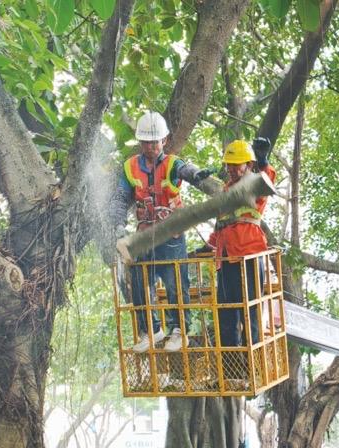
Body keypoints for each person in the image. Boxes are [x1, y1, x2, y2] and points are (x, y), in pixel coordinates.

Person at [110, 111, 213, 353]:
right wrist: (116, 223)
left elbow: (185, 169)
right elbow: (120, 198)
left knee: (175, 283)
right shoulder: (130, 167)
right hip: (145, 236)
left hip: (171, 236)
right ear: (140, 142)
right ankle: (151, 330)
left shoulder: (171, 163)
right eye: (146, 142)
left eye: (155, 142)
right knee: (139, 283)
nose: (150, 147)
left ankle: (179, 331)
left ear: (164, 141)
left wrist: (197, 174)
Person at [207, 137, 276, 348]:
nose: (231, 169)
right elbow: (221, 225)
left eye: (237, 165)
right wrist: (208, 246)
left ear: (248, 165)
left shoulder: (254, 184)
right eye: (229, 165)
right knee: (226, 313)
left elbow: (267, 178)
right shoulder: (227, 190)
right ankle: (231, 369)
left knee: (250, 311)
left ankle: (250, 368)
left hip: (248, 255)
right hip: (226, 258)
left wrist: (263, 160)